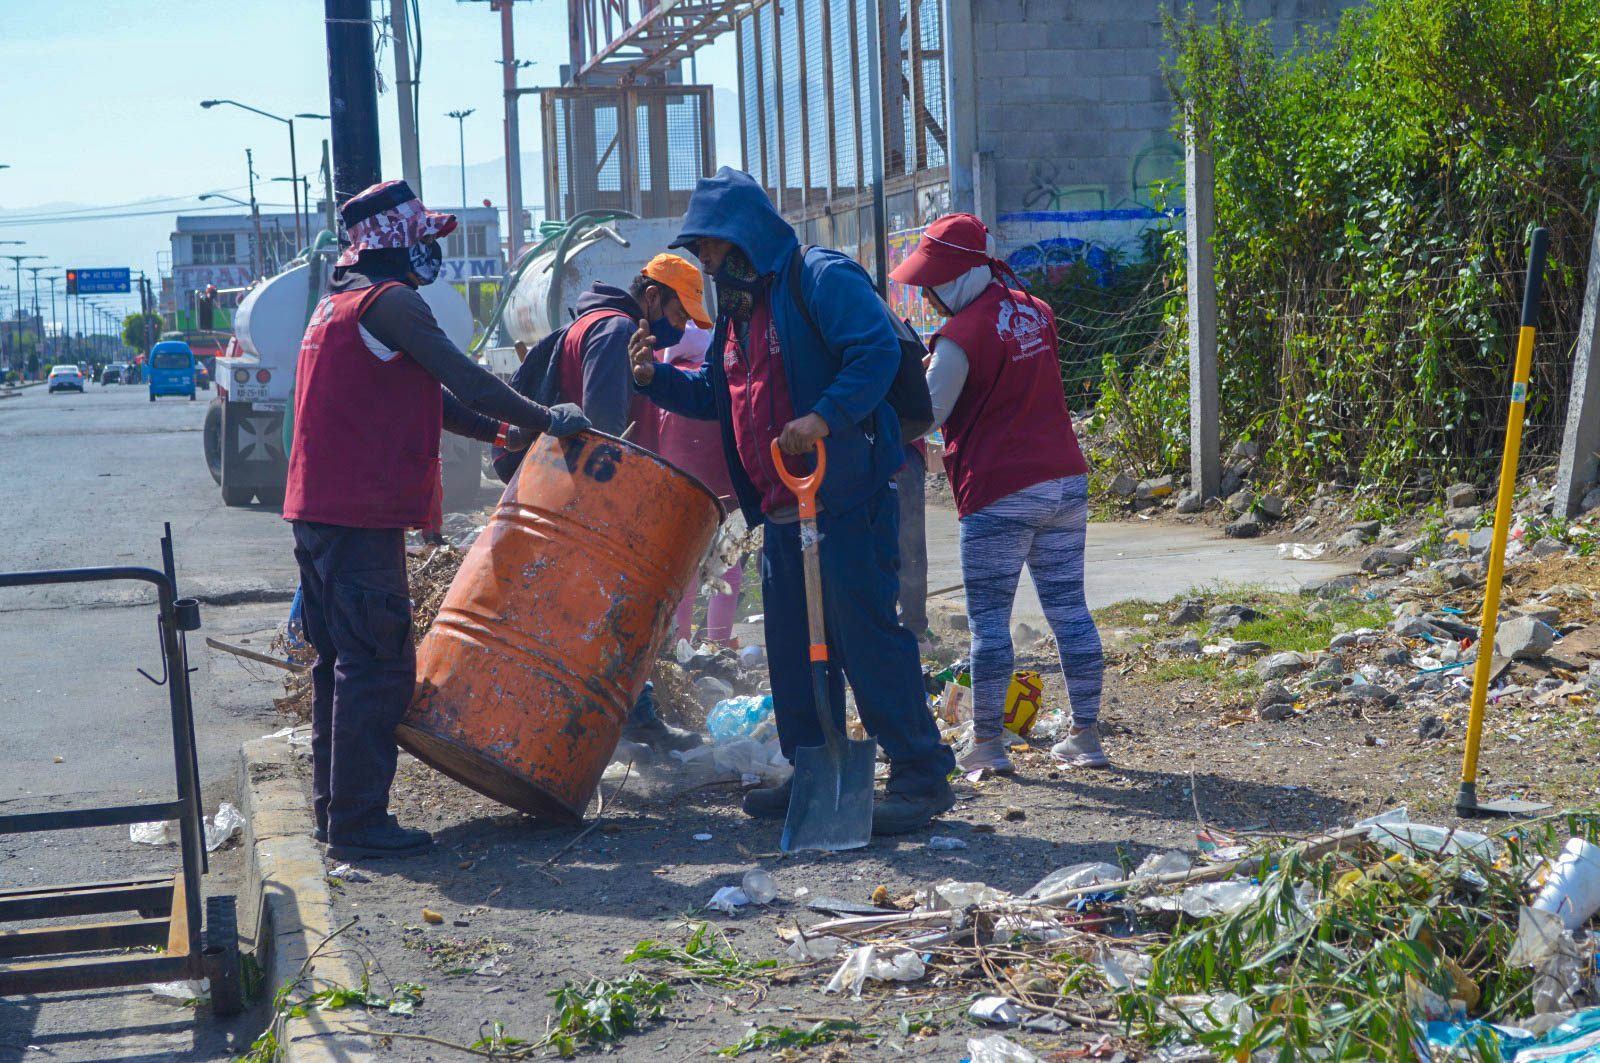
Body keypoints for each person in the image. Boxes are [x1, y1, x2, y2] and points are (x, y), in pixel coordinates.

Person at [630, 167, 957, 836]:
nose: (708, 265)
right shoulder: (737, 316)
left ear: (742, 239)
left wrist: (824, 418)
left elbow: (870, 351)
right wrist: (656, 381)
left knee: (867, 639)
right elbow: (720, 401)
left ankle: (921, 774)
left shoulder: (821, 278)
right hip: (783, 509)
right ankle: (814, 767)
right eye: (702, 256)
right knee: (791, 647)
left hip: (846, 498)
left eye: (712, 252)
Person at [283, 180, 591, 860]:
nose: (431, 250)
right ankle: (360, 824)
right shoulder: (390, 303)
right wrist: (547, 420)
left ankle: (335, 815)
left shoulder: (338, 306)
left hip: (319, 513)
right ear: (397, 241)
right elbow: (466, 376)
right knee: (378, 668)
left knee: (342, 664)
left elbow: (436, 400)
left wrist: (501, 436)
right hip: (358, 517)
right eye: (423, 237)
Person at [888, 212, 1106, 774]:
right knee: (1070, 611)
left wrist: (868, 421)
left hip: (1001, 494)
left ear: (957, 275)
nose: (930, 296)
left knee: (989, 623)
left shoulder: (960, 337)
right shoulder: (1037, 312)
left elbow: (925, 414)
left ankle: (987, 744)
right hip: (1064, 482)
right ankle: (1087, 736)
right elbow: (1010, 394)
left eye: (933, 283)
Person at [493, 253, 713, 755]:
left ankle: (601, 723)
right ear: (653, 296)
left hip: (569, 498)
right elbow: (608, 434)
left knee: (588, 617)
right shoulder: (615, 333)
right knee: (615, 613)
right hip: (595, 504)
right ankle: (628, 722)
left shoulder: (599, 324)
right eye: (678, 317)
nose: (678, 330)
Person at [655, 323, 743, 645]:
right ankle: (718, 643)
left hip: (682, 490)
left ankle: (680, 642)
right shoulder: (714, 379)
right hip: (726, 491)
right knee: (727, 566)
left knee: (687, 569)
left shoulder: (666, 382)